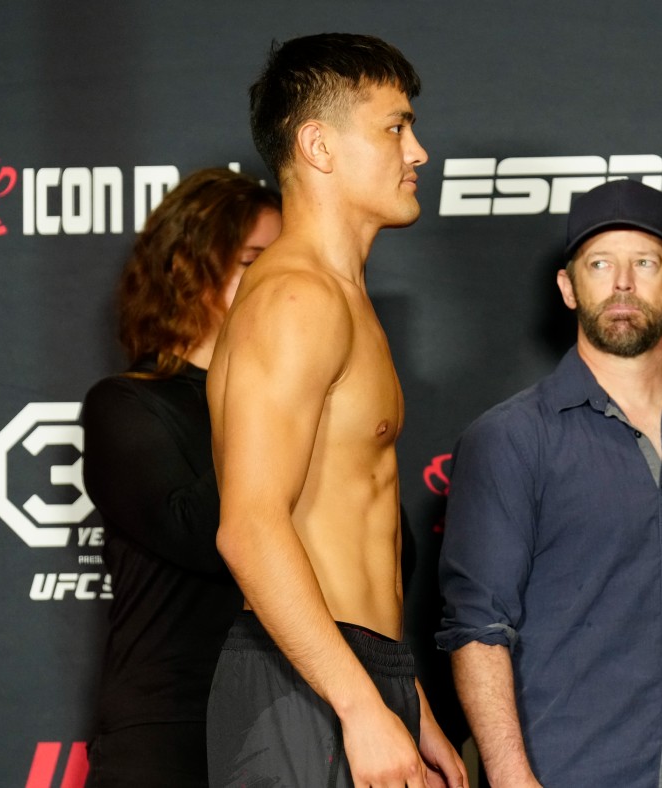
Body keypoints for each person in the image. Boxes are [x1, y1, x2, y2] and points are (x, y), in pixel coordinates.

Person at [205, 33, 466, 788]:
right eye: (395, 128)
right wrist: (359, 708)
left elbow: (348, 526)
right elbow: (250, 527)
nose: (418, 152)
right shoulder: (298, 297)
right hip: (307, 685)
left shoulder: (344, 298)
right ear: (318, 145)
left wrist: (407, 703)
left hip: (356, 672)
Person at [437, 179, 662, 787]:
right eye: (599, 264)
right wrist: (511, 778)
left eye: (644, 263)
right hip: (563, 772)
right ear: (568, 287)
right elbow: (477, 627)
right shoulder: (510, 438)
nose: (622, 283)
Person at [81, 167, 281, 787]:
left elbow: (385, 554)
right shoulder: (128, 404)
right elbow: (204, 534)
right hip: (170, 728)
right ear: (186, 269)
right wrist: (269, 396)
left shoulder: (306, 408)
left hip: (289, 719)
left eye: (285, 264)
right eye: (253, 262)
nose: (278, 283)